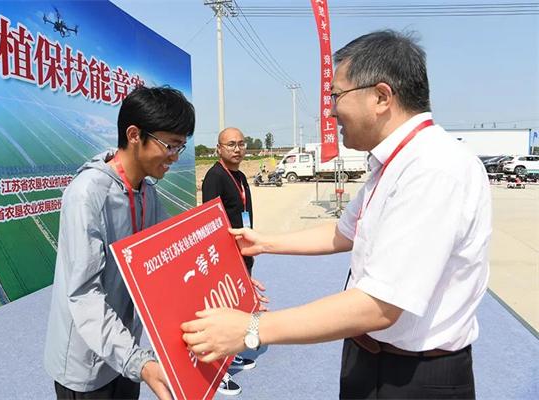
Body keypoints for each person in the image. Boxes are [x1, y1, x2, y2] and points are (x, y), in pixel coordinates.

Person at [182, 30, 491, 399]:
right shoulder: (393, 163)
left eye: (336, 95)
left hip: (414, 378)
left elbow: (379, 306)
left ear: (381, 96)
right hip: (368, 358)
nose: (329, 110)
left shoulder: (434, 168)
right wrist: (265, 242)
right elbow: (345, 232)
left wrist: (252, 328)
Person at [45, 86, 195, 400]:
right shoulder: (87, 195)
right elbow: (84, 294)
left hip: (127, 352)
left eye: (181, 146)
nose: (175, 157)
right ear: (133, 134)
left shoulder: (147, 191)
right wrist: (139, 362)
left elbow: (168, 253)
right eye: (170, 145)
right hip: (86, 366)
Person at [201, 127, 257, 396]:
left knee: (236, 306)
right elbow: (211, 221)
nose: (237, 149)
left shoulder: (241, 176)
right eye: (231, 144)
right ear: (219, 149)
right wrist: (223, 257)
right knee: (220, 310)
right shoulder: (215, 177)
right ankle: (216, 372)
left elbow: (243, 213)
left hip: (242, 252)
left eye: (241, 144)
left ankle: (230, 354)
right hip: (225, 256)